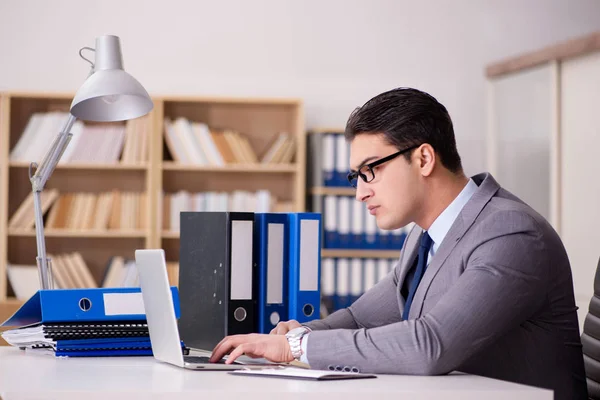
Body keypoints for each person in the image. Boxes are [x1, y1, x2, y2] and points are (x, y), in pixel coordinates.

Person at [210, 87, 587, 399]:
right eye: (355, 176)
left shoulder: (510, 233)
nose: (360, 192)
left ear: (423, 158)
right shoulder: (425, 236)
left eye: (371, 170)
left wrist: (293, 350)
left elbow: (430, 346)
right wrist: (301, 334)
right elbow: (361, 318)